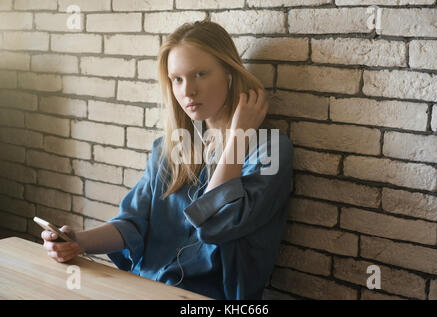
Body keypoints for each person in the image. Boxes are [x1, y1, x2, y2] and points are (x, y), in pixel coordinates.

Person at [41, 19, 294, 300]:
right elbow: (134, 222)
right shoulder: (169, 149)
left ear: (229, 74)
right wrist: (77, 242)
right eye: (177, 79)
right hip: (142, 287)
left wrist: (236, 139)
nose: (188, 91)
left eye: (200, 74)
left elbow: (214, 225)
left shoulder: (271, 152)